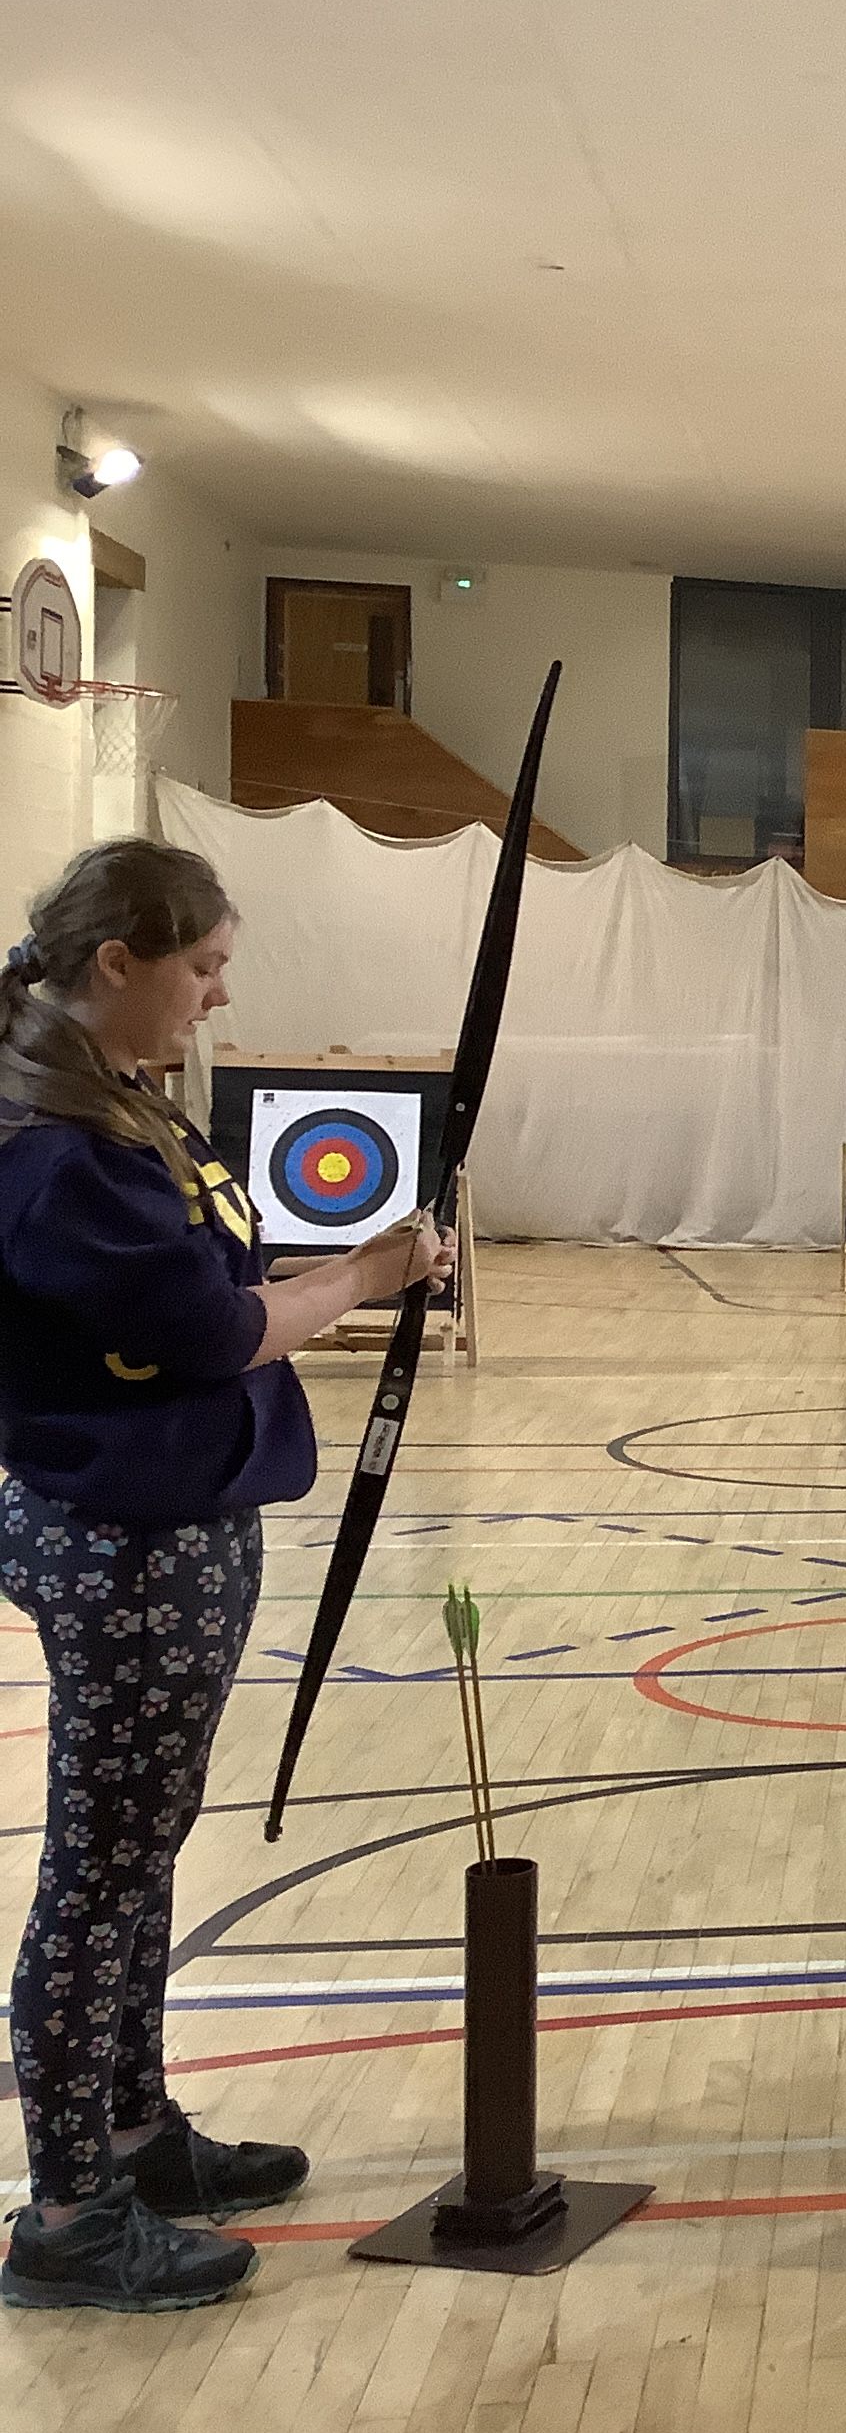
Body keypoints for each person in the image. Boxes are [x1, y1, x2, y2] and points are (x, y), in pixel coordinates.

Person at [1, 839, 451, 2313]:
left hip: (166, 1525)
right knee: (103, 1865)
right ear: (116, 962)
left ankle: (135, 2136)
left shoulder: (108, 1100)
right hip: (124, 1539)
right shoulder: (57, 1148)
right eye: (199, 966)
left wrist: (346, 1266)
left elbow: (223, 1284)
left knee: (140, 1848)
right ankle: (69, 2206)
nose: (219, 990)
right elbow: (207, 1332)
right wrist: (367, 1278)